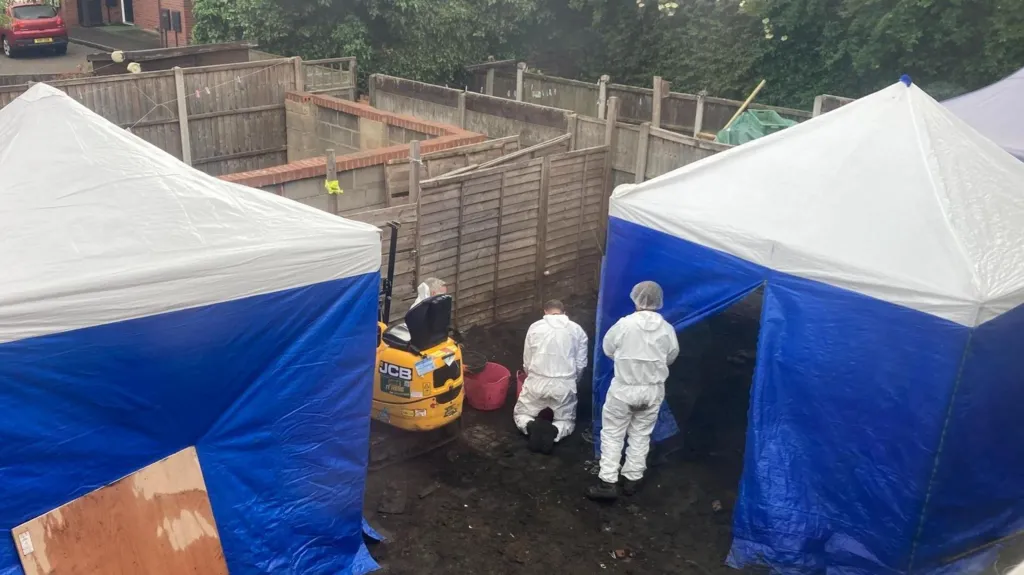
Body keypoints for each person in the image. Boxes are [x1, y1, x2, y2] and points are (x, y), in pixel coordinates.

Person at [587, 281, 678, 501]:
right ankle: (632, 479)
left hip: (624, 390)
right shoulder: (667, 329)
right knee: (641, 434)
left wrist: (626, 361)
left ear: (636, 298)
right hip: (652, 391)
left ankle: (608, 482)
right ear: (658, 301)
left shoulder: (624, 325)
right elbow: (671, 356)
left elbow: (608, 348)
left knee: (613, 434)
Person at [513, 299, 589, 454]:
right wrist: (574, 381)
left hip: (537, 381)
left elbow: (527, 358)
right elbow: (581, 363)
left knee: (522, 413)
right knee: (566, 419)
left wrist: (530, 376)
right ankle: (555, 431)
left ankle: (530, 426)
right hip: (564, 383)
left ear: (545, 312)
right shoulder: (577, 330)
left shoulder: (535, 327)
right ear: (564, 311)